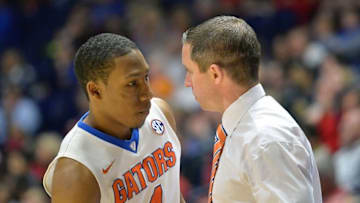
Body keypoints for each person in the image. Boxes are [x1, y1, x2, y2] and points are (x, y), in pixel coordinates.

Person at [181, 16, 322, 203]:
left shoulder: (265, 138)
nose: (187, 82)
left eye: (190, 71)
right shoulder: (246, 127)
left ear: (215, 74)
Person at [43, 33, 184, 203]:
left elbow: (174, 194)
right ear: (95, 91)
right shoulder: (76, 170)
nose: (148, 94)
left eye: (146, 78)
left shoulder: (160, 112)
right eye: (132, 84)